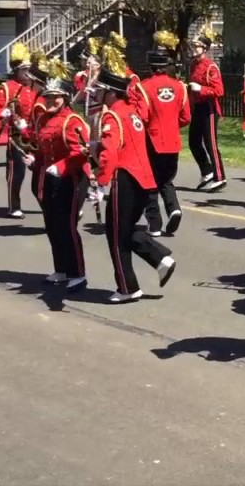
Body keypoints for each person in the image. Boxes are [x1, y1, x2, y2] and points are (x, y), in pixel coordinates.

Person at [91, 38, 177, 304]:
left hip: (124, 179)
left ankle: (128, 287)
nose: (98, 95)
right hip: (143, 179)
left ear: (112, 93)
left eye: (102, 91)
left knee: (116, 235)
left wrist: (101, 184)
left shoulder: (112, 116)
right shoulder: (132, 112)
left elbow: (110, 152)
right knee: (126, 230)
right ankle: (159, 257)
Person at [28, 58, 90, 292]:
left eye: (56, 97)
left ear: (64, 98)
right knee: (52, 224)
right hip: (51, 179)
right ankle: (62, 269)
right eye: (48, 97)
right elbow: (41, 146)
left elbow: (81, 153)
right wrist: (34, 159)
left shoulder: (72, 121)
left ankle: (78, 273)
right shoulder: (43, 119)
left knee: (67, 226)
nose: (51, 101)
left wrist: (61, 167)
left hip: (72, 179)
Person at [141, 31, 190, 236]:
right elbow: (186, 117)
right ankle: (174, 208)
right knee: (167, 180)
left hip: (152, 140)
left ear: (151, 67)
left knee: (150, 181)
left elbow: (142, 116)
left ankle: (154, 224)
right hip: (173, 141)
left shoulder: (144, 87)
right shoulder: (180, 87)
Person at [0, 42, 39, 219]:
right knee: (16, 172)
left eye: (28, 69)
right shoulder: (8, 87)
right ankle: (14, 205)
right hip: (16, 137)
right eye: (23, 70)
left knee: (42, 172)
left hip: (35, 135)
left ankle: (49, 203)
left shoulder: (36, 87)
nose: (26, 73)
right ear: (16, 71)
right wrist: (4, 112)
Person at [187, 25, 227, 191]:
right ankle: (207, 170)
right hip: (197, 107)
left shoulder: (211, 67)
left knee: (210, 143)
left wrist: (201, 89)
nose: (193, 49)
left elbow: (219, 90)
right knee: (193, 141)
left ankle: (220, 176)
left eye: (196, 46)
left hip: (209, 108)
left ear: (204, 49)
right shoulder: (193, 65)